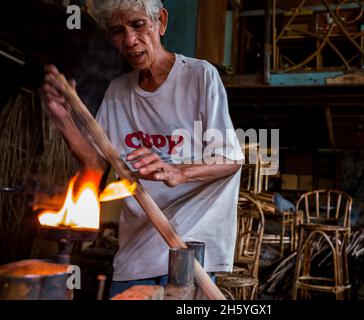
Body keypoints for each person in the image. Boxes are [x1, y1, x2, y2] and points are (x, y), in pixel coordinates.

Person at [42, 0, 243, 298]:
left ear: (160, 22)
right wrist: (64, 121)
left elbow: (230, 159)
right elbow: (96, 164)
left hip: (188, 252)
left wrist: (178, 171)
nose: (130, 40)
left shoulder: (200, 76)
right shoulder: (118, 91)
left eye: (137, 25)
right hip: (135, 253)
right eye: (118, 31)